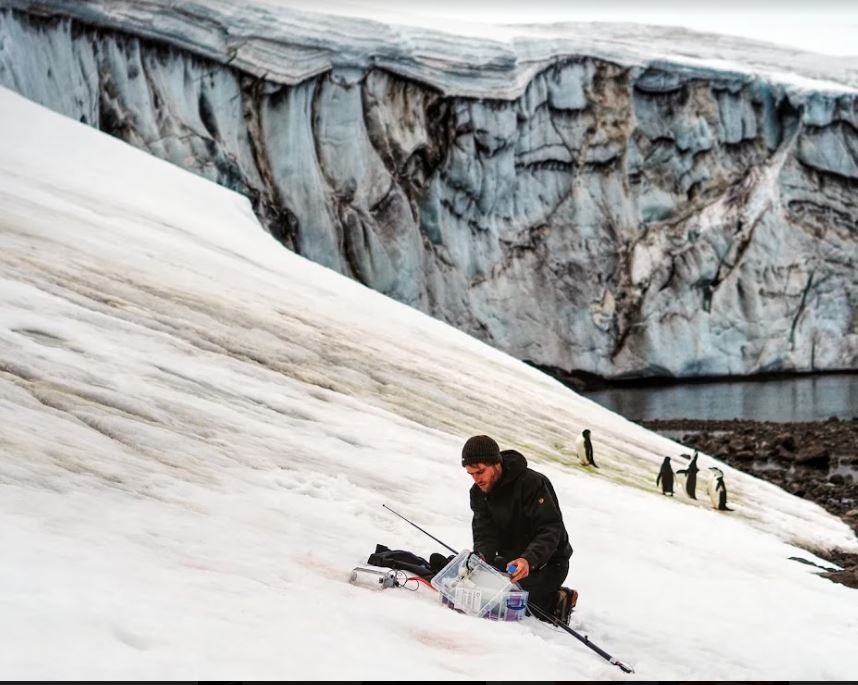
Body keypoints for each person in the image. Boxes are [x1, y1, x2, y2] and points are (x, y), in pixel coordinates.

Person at [462, 434, 575, 623]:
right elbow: (484, 532)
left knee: (511, 602)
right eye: (471, 474)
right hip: (510, 563)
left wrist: (527, 560)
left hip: (548, 564)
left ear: (496, 463)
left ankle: (558, 600)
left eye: (480, 471)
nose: (476, 479)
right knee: (475, 585)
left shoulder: (532, 483)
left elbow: (550, 529)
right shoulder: (478, 493)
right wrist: (482, 557)